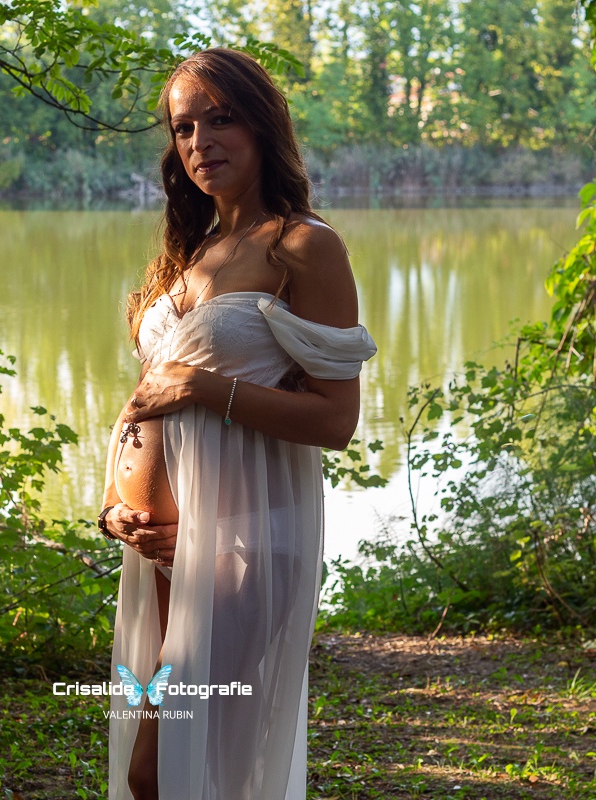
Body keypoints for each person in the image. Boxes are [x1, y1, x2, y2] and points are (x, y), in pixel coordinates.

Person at [95, 47, 377, 800]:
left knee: (170, 770)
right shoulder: (189, 258)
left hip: (242, 540)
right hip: (162, 548)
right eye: (184, 128)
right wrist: (113, 504)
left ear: (262, 123)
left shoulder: (302, 247)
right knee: (184, 766)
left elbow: (335, 419)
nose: (200, 142)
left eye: (220, 120)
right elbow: (145, 398)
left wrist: (203, 387)